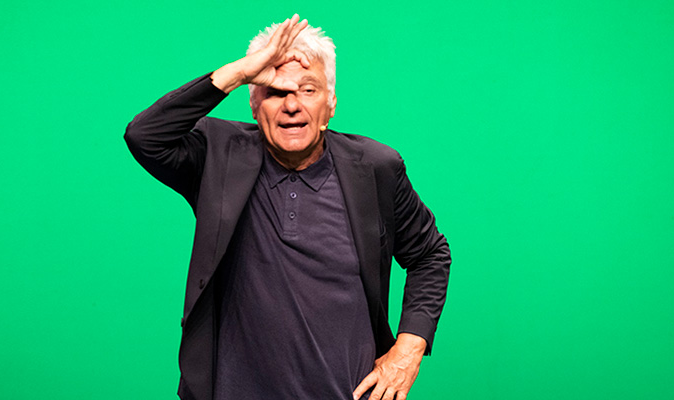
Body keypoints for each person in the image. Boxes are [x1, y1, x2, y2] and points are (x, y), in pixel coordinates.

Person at [124, 14, 451, 400]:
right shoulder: (219, 156)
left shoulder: (375, 169)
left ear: (331, 104)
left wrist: (408, 350)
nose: (292, 105)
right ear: (254, 105)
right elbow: (144, 136)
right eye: (275, 91)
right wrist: (240, 72)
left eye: (308, 90)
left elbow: (429, 254)